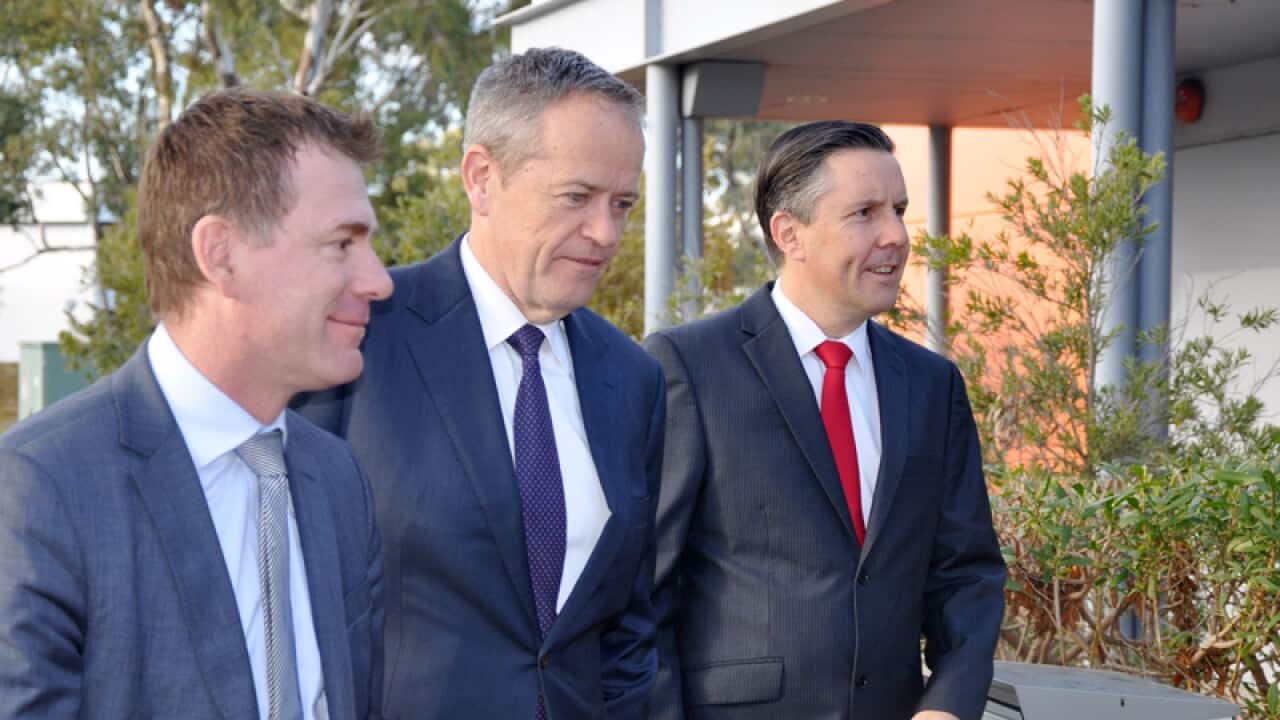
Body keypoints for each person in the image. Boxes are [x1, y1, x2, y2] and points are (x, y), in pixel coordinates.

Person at [295, 47, 664, 719]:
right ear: (482, 178)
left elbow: (627, 624)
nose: (605, 232)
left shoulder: (632, 378)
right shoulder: (361, 335)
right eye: (577, 197)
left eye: (623, 204)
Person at [0, 88, 392, 720]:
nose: (379, 279)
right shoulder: (40, 488)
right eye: (342, 244)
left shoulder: (339, 481)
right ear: (222, 255)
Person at [644, 121, 1007, 720]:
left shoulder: (931, 385)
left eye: (898, 209)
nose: (895, 235)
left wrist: (947, 706)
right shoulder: (688, 366)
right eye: (864, 213)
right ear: (790, 233)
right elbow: (646, 592)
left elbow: (966, 573)